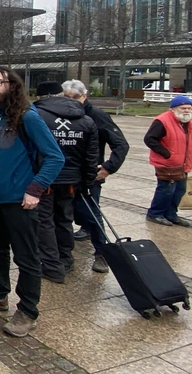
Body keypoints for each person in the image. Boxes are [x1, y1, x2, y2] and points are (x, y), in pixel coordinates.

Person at [0, 67, 63, 338]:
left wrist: (35, 189)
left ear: (13, 85)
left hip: (19, 201)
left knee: (27, 257)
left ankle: (28, 310)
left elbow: (55, 157)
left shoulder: (28, 117)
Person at [32, 81, 99, 284]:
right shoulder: (86, 120)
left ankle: (51, 265)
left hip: (45, 178)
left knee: (44, 221)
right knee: (64, 219)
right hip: (71, 179)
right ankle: (66, 259)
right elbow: (91, 156)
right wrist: (87, 182)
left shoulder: (37, 117)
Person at [63, 79, 129, 274]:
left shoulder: (97, 115)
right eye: (67, 98)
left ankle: (102, 253)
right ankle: (67, 251)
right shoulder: (62, 114)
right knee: (65, 214)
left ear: (84, 96)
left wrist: (109, 167)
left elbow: (121, 144)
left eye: (75, 98)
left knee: (92, 214)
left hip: (89, 176)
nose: (71, 101)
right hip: (66, 174)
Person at [144, 95, 192, 227]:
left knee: (180, 190)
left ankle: (171, 214)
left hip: (183, 163)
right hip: (167, 163)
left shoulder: (187, 122)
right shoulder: (162, 121)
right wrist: (167, 154)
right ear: (173, 109)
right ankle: (155, 213)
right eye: (183, 108)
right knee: (166, 190)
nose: (187, 110)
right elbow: (149, 139)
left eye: (189, 108)